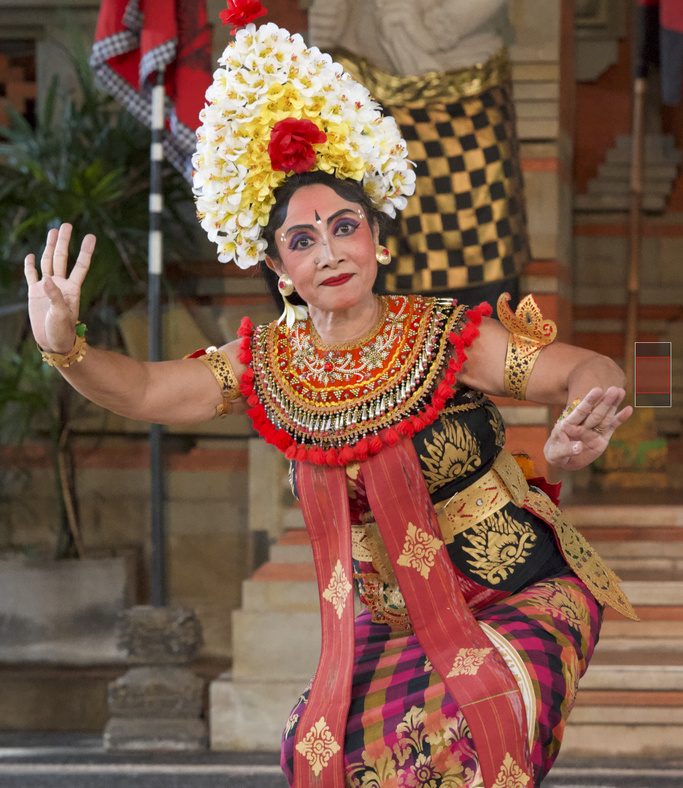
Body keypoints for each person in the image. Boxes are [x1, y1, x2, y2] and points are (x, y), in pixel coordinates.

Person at [25, 5, 635, 787]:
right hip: (389, 625)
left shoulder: (447, 336)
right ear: (279, 270)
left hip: (517, 591)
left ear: (378, 240)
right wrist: (63, 346)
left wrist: (587, 417)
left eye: (345, 227)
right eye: (303, 241)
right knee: (321, 758)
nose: (330, 252)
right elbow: (145, 388)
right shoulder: (266, 366)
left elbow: (584, 369)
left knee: (463, 731)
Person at [308, 0, 528, 306]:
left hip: (467, 89)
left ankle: (480, 342)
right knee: (380, 239)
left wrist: (445, 24)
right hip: (367, 77)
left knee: (483, 242)